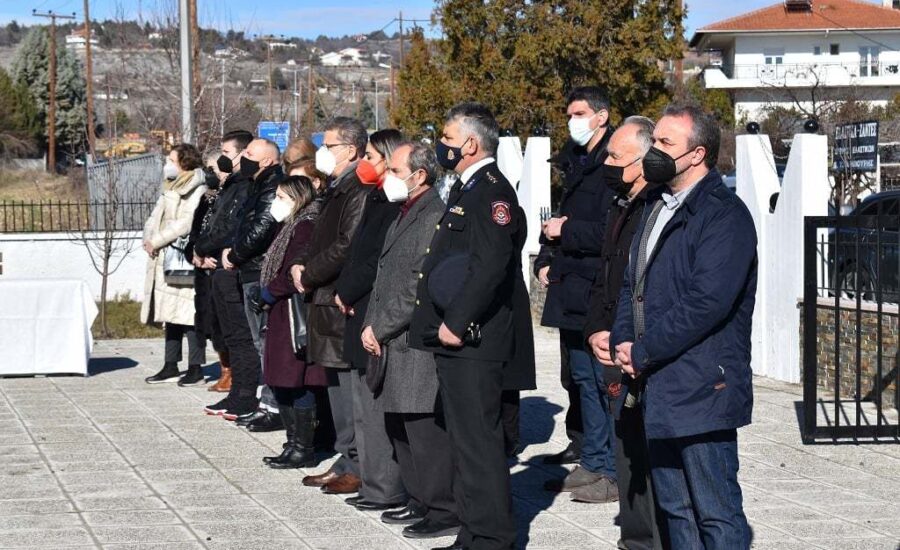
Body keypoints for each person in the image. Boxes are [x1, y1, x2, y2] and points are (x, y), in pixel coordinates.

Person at [611, 104, 756, 549]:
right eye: (654, 141)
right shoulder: (657, 204)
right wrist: (620, 338)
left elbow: (705, 304)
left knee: (715, 513)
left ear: (697, 155)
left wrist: (643, 349)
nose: (653, 151)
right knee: (676, 511)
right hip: (660, 384)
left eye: (665, 144)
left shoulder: (723, 214)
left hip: (702, 385)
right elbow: (632, 282)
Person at [409, 102, 519, 550]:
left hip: (473, 339)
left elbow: (491, 266)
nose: (442, 147)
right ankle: (472, 534)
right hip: (457, 340)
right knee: (464, 441)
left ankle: (493, 538)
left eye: (449, 139)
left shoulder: (491, 193)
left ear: (471, 144)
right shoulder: (466, 188)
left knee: (479, 443)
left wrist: (457, 322)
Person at [360, 141, 459, 539]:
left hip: (409, 340)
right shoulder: (405, 212)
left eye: (396, 171)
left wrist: (379, 327)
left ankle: (442, 509)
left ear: (419, 176)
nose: (388, 178)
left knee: (423, 431)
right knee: (401, 427)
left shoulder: (433, 213)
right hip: (388, 338)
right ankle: (418, 500)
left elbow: (415, 285)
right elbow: (386, 276)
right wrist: (373, 326)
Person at [582, 117, 669, 547]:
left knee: (646, 452)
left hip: (639, 347)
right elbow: (606, 275)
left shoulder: (658, 207)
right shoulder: (620, 203)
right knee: (625, 447)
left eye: (616, 157)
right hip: (611, 343)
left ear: (642, 159)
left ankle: (651, 538)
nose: (609, 164)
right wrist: (596, 329)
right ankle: (634, 538)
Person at [535, 87, 617, 500]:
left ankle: (612, 469)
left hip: (595, 288)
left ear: (601, 116)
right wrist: (544, 259)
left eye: (580, 113)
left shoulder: (612, 163)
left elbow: (608, 229)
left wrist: (564, 232)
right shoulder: (576, 160)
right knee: (582, 380)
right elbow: (556, 219)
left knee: (604, 383)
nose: (573, 121)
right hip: (571, 286)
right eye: (569, 113)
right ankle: (592, 460)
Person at [289, 117, 369, 495]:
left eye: (330, 145)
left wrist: (311, 273)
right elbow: (316, 234)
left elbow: (347, 244)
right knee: (336, 384)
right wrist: (299, 263)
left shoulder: (359, 189)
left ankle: (357, 461)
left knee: (349, 388)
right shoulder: (334, 187)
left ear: (351, 150)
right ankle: (345, 456)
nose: (323, 151)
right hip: (321, 296)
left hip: (337, 296)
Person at [334, 129, 406, 509]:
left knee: (373, 407)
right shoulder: (375, 198)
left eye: (375, 157)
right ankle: (370, 481)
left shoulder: (395, 204)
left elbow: (374, 260)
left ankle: (383, 487)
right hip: (354, 306)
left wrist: (347, 291)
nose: (367, 163)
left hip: (370, 309)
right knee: (360, 406)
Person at [252, 175, 327, 469]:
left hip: (293, 312)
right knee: (283, 380)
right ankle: (293, 442)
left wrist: (269, 293)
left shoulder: (305, 225)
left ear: (298, 198)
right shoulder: (289, 226)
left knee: (298, 381)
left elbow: (294, 272)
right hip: (280, 312)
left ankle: (302, 447)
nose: (276, 203)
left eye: (282, 197)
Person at [193, 130, 258, 417]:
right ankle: (236, 393)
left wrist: (204, 246)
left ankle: (244, 396)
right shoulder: (229, 185)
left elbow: (229, 227)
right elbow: (209, 225)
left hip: (233, 268)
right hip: (216, 268)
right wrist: (197, 250)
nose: (221, 159)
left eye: (227, 153)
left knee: (241, 337)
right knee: (230, 336)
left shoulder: (243, 185)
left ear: (243, 154)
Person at [222, 138, 285, 427]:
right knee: (259, 341)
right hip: (248, 270)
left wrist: (235, 254)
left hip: (259, 271)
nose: (242, 158)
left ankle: (272, 406)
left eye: (249, 154)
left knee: (264, 342)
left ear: (268, 161)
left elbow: (261, 228)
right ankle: (267, 402)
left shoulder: (272, 186)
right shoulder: (255, 184)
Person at [142, 143, 209, 385]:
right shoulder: (171, 184)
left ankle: (196, 366)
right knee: (169, 314)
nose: (167, 164)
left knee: (189, 314)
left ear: (185, 162)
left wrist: (158, 240)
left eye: (172, 159)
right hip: (163, 255)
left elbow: (185, 222)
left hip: (181, 256)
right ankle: (170, 364)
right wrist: (148, 239)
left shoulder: (197, 187)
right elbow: (155, 215)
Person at [182, 153, 228, 388]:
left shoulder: (228, 197)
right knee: (209, 322)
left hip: (221, 267)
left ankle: (230, 372)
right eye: (207, 168)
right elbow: (193, 236)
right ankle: (224, 368)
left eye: (214, 168)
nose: (210, 173)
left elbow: (227, 233)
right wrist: (196, 254)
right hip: (203, 271)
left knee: (225, 325)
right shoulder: (204, 199)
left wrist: (214, 256)